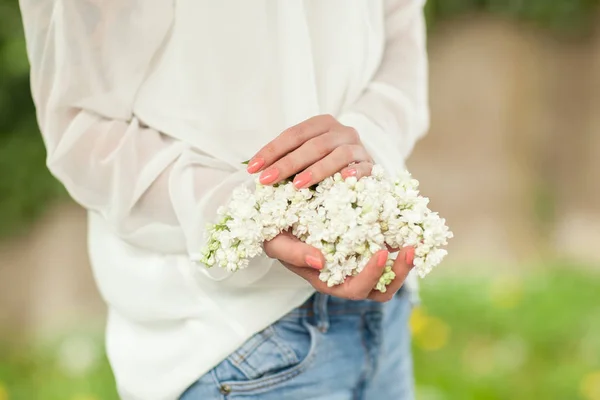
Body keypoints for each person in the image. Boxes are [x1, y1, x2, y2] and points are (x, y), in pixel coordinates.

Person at [19, 0, 429, 399]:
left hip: (382, 311)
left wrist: (362, 151)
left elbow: (399, 35)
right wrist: (248, 208)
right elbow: (79, 129)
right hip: (232, 339)